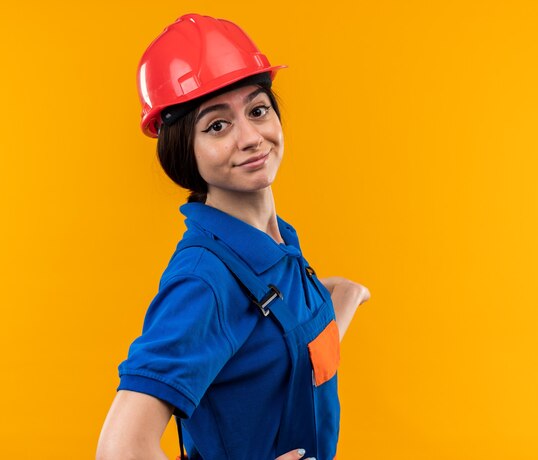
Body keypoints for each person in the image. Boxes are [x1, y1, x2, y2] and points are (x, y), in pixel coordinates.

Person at [96, 13, 370, 460]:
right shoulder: (204, 281)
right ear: (184, 151)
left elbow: (281, 345)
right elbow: (119, 450)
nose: (251, 138)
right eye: (217, 126)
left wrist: (346, 297)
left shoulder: (274, 244)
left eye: (258, 111)